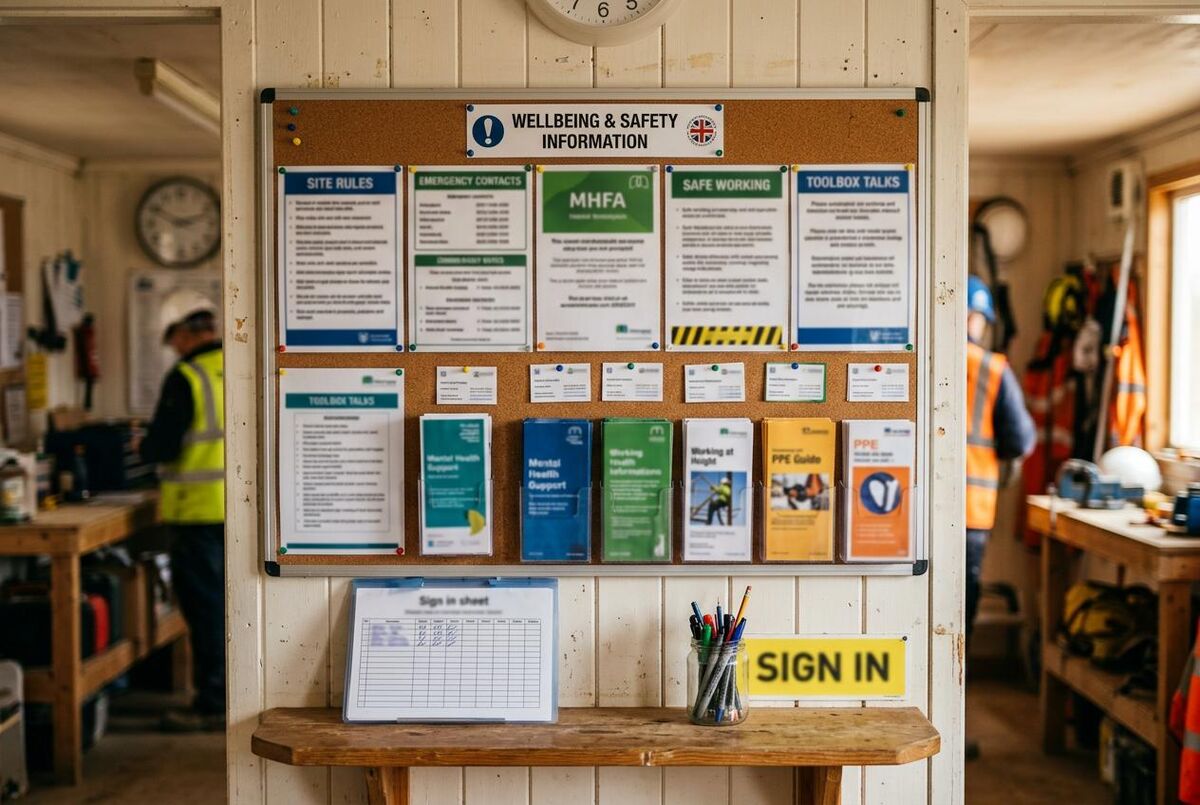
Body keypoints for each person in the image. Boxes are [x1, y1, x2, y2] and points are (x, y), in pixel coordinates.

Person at [138, 289, 225, 732]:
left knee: (205, 608)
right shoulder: (237, 367)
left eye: (173, 338)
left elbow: (164, 445)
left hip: (196, 513)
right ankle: (234, 694)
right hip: (238, 512)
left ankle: (212, 701)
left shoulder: (187, 376)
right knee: (231, 607)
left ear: (187, 334)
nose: (173, 347)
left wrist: (143, 444)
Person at [965, 275, 1036, 758]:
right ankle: (952, 721)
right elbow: (1021, 441)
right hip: (970, 515)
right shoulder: (992, 368)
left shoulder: (916, 360)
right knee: (955, 623)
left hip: (906, 514)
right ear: (980, 319)